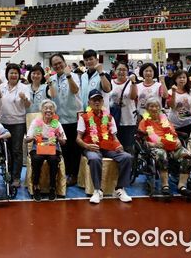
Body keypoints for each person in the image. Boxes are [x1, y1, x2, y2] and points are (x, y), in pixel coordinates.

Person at [76, 90, 132, 204]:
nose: (97, 102)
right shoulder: (84, 117)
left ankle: (120, 188)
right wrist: (87, 146)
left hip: (109, 146)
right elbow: (78, 138)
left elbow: (114, 136)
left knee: (127, 157)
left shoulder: (109, 117)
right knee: (94, 158)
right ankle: (97, 190)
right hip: (92, 146)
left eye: (99, 100)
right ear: (89, 102)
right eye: (94, 100)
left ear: (102, 102)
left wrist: (119, 145)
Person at [137, 97, 191, 197]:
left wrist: (177, 141)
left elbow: (173, 134)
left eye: (156, 106)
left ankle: (182, 186)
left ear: (160, 108)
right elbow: (142, 139)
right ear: (147, 109)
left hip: (171, 145)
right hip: (156, 147)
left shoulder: (165, 120)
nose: (154, 109)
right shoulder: (144, 122)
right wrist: (153, 144)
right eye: (151, 106)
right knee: (161, 154)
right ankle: (165, 185)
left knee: (186, 155)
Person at [48, 53, 82, 187]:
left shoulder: (74, 76)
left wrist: (68, 76)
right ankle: (67, 172)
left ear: (64, 62)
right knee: (64, 148)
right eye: (54, 64)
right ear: (52, 66)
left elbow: (75, 90)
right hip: (59, 119)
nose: (58, 65)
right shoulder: (52, 79)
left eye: (59, 62)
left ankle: (74, 174)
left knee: (75, 148)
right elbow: (53, 96)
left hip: (73, 117)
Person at [25, 99, 66, 201]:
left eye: (50, 108)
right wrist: (32, 137)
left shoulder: (57, 124)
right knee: (36, 159)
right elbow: (27, 139)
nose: (48, 110)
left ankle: (52, 187)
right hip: (38, 146)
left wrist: (60, 139)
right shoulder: (36, 122)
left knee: (53, 159)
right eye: (45, 108)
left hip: (52, 147)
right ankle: (36, 186)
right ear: (42, 110)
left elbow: (63, 141)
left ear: (54, 111)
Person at [0, 63, 31, 189]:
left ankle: (16, 177)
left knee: (17, 150)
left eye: (15, 73)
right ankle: (7, 175)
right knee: (6, 151)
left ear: (19, 75)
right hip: (4, 122)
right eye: (11, 73)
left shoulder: (24, 87)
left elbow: (28, 105)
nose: (13, 75)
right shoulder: (2, 87)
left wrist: (24, 99)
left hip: (18, 122)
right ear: (7, 74)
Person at [109, 61, 138, 153]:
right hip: (113, 119)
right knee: (114, 147)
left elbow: (133, 97)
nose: (121, 72)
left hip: (128, 120)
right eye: (119, 69)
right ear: (114, 70)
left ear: (128, 71)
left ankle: (128, 166)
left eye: (124, 70)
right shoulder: (110, 83)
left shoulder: (131, 83)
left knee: (127, 147)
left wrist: (133, 83)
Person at [168, 70, 191, 136]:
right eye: (180, 77)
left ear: (187, 79)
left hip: (187, 122)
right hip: (174, 123)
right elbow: (172, 107)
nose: (182, 79)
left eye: (184, 77)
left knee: (185, 141)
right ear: (175, 79)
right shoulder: (170, 92)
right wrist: (174, 93)